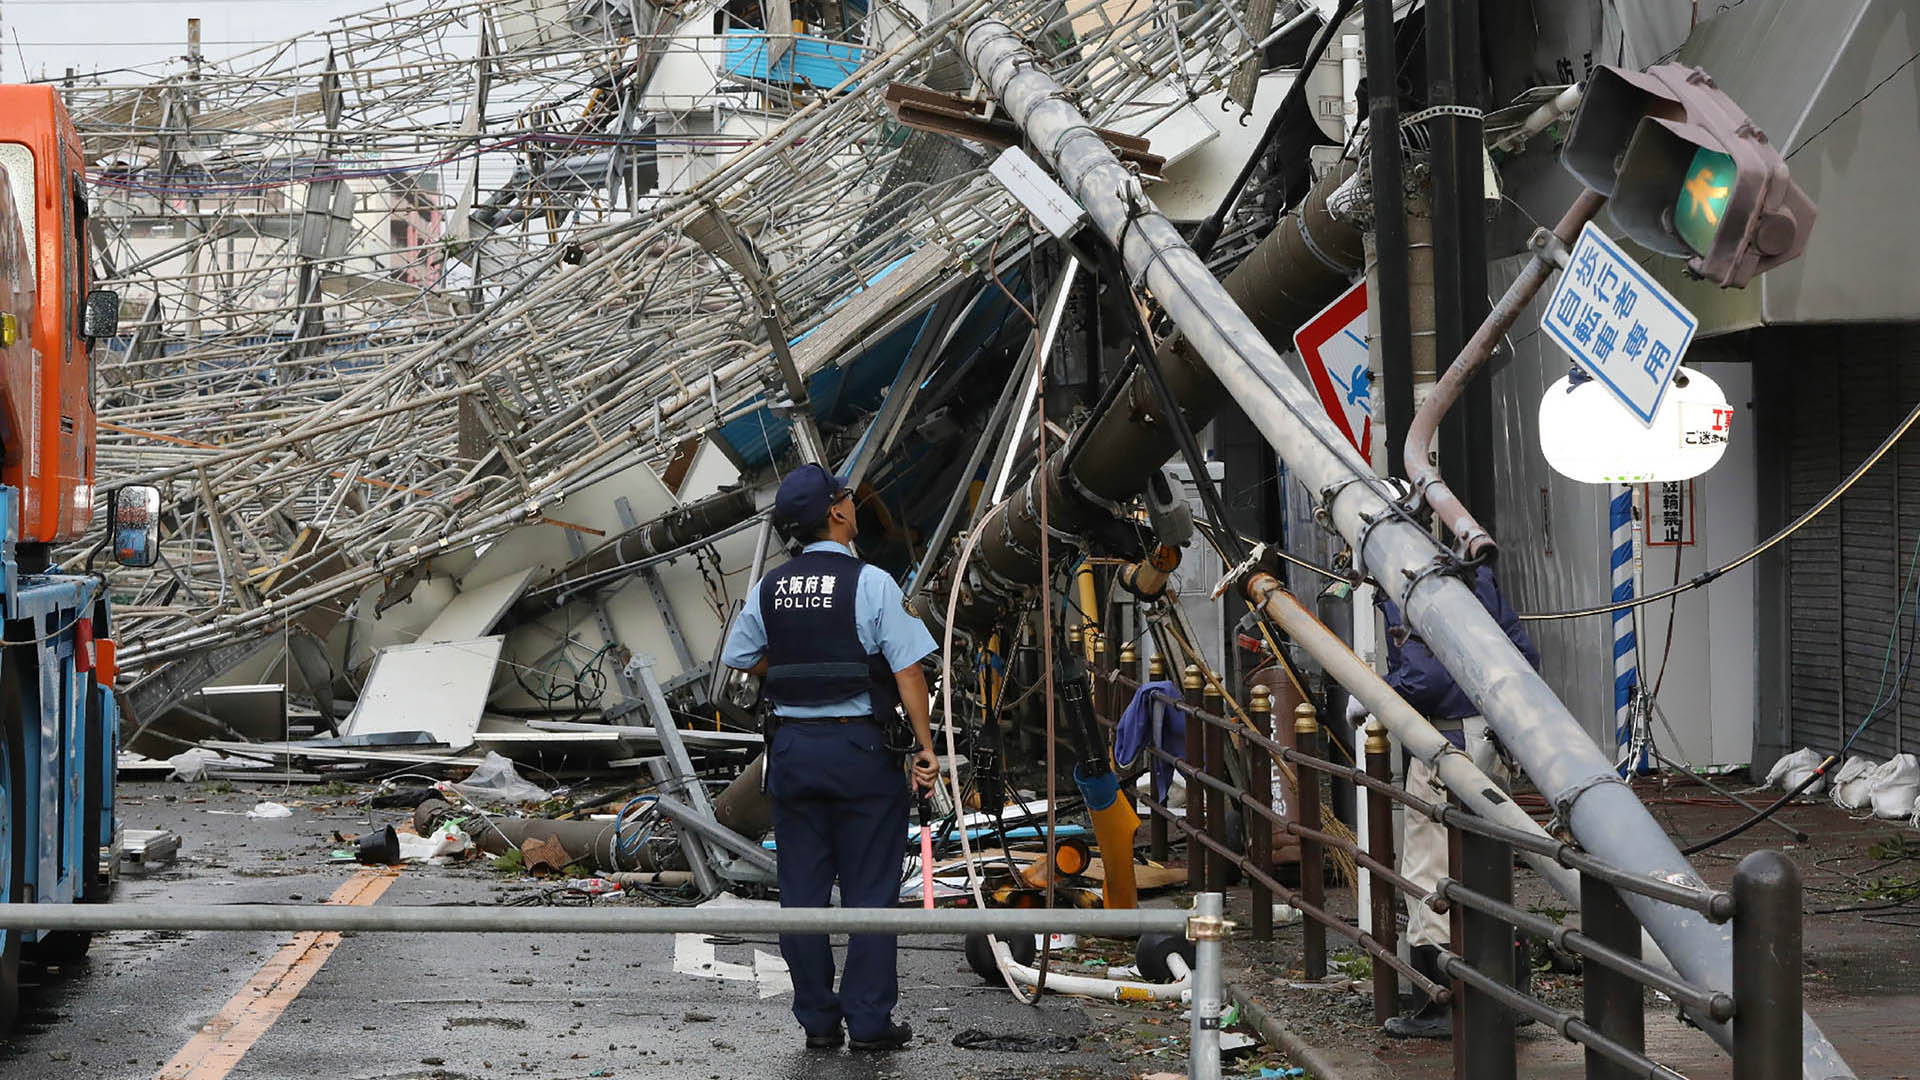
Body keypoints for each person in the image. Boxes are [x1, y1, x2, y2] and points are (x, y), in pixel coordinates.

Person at [721, 463, 941, 1053]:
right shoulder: (872, 583)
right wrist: (925, 748)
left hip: (791, 753)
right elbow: (909, 669)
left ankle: (818, 1020)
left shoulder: (771, 586)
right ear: (839, 513)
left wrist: (792, 667)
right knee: (871, 889)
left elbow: (742, 654)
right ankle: (869, 1023)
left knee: (802, 891)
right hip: (860, 751)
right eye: (846, 499)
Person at [1370, 565, 1539, 1040]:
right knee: (1488, 862)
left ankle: (1446, 1001)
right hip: (1494, 735)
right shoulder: (1478, 576)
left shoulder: (1404, 583)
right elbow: (1523, 653)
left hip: (1446, 742)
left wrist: (1379, 691)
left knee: (1431, 867)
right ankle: (1511, 986)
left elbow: (1423, 678)